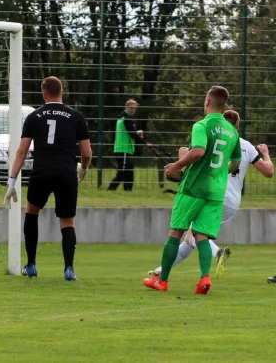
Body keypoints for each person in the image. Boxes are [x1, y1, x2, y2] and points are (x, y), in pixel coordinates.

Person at [147, 110, 273, 278]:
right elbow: (268, 172)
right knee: (191, 238)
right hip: (233, 202)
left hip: (212, 193)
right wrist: (265, 153)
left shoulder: (209, 136)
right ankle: (161, 271)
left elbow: (193, 166)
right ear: (238, 126)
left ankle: (218, 253)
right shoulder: (246, 146)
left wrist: (182, 158)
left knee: (195, 236)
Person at [143, 86, 241, 295]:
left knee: (176, 232)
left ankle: (163, 280)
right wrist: (220, 172)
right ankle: (204, 278)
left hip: (193, 188)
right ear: (224, 105)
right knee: (202, 235)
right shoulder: (232, 131)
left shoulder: (202, 125)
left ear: (207, 102)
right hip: (216, 192)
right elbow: (236, 162)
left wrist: (176, 165)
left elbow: (197, 152)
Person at [4, 76, 92, 281]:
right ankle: (69, 269)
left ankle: (31, 265)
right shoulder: (76, 116)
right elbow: (87, 153)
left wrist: (11, 182)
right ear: (62, 92)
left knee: (32, 212)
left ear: (43, 93)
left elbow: (21, 152)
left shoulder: (34, 117)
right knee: (67, 220)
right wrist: (83, 170)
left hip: (41, 172)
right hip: (67, 172)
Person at [108, 99, 152, 191]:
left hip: (126, 149)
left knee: (129, 172)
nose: (133, 110)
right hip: (123, 149)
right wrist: (145, 143)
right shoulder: (127, 119)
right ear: (126, 107)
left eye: (134, 108)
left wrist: (136, 133)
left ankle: (127, 191)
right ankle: (111, 189)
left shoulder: (122, 118)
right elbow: (131, 133)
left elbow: (128, 132)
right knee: (123, 172)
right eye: (131, 108)